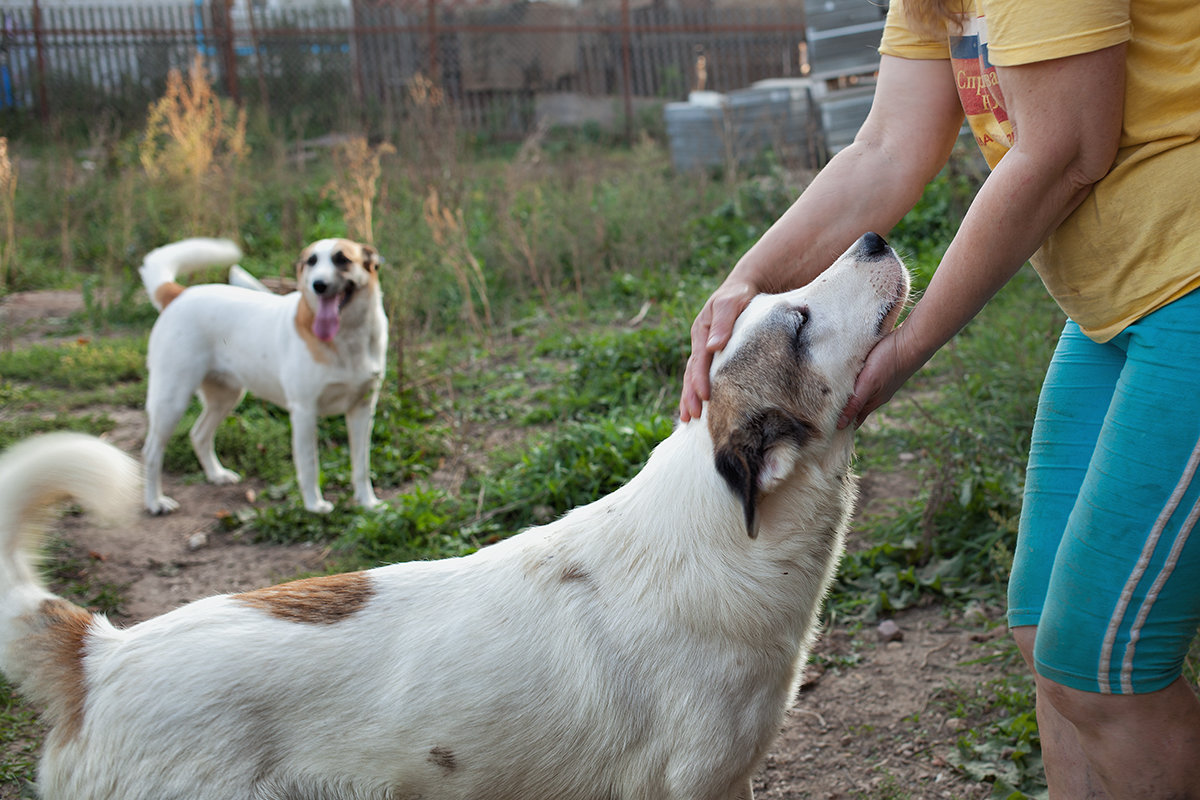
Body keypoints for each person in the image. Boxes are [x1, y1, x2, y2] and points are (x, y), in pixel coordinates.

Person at [678, 0, 1200, 797]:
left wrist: (908, 344)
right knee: (1044, 641)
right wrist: (748, 277)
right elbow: (887, 148)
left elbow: (1066, 151)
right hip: (1112, 312)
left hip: (1186, 284)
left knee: (1103, 668)